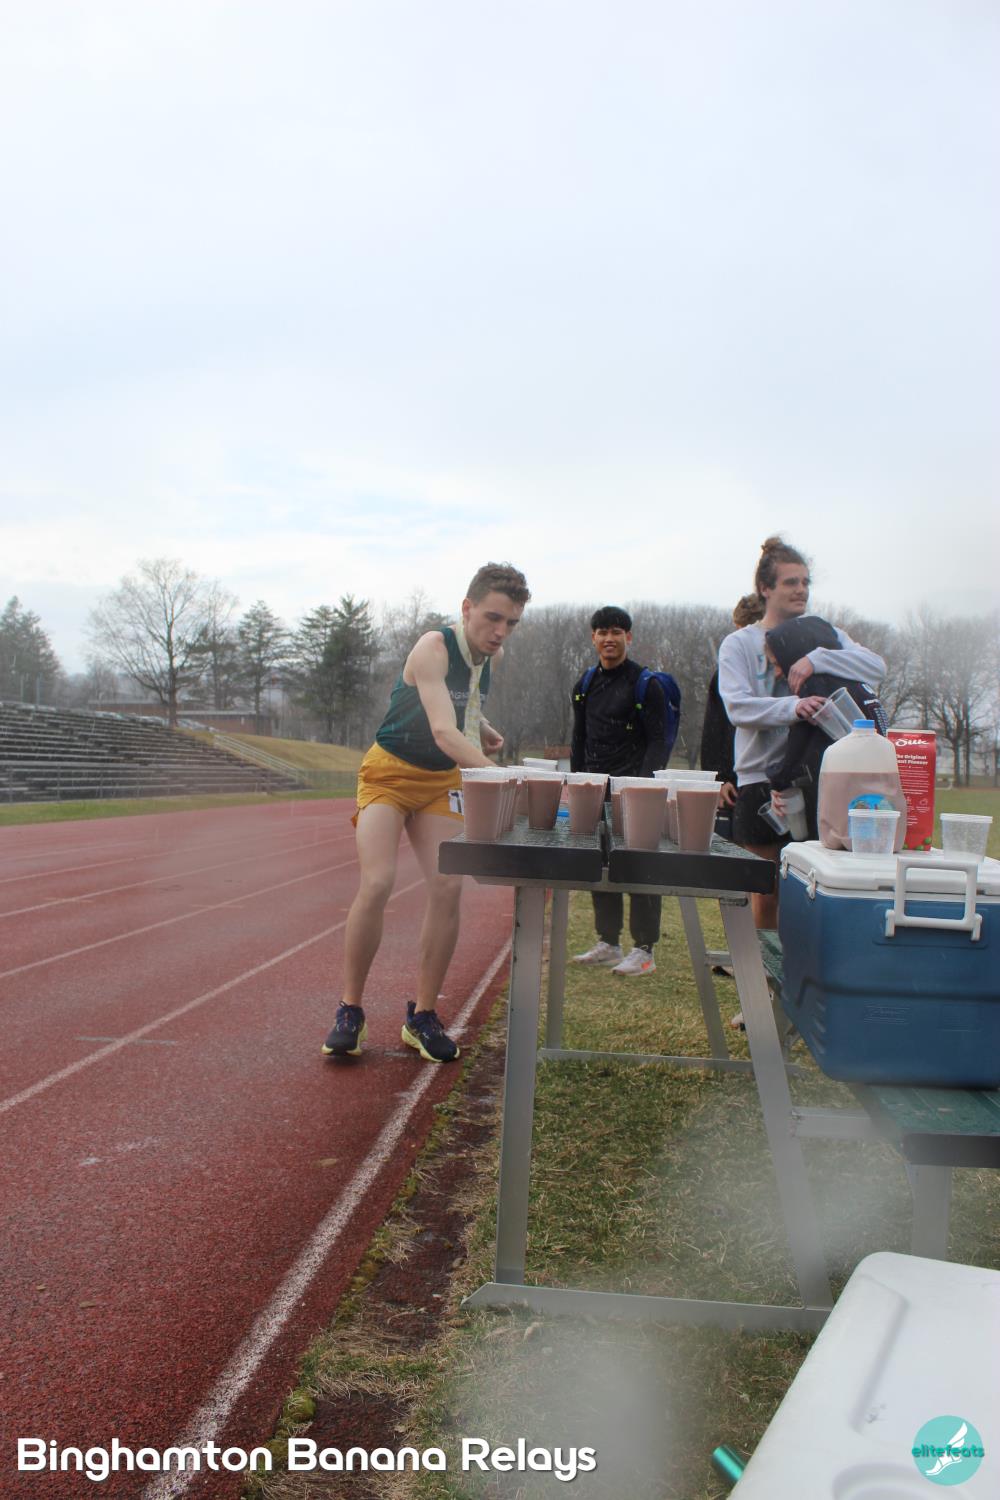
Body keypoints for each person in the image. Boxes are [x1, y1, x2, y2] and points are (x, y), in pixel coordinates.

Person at [322, 562, 531, 1063]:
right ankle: (350, 1010)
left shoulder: (491, 656)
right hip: (389, 774)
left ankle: (423, 1015)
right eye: (492, 618)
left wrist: (482, 728)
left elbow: (460, 705)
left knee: (447, 886)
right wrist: (501, 774)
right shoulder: (432, 647)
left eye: (511, 623)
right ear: (466, 608)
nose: (500, 632)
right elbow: (440, 729)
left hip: (440, 781)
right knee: (378, 882)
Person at [718, 537, 885, 930]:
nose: (801, 590)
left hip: (819, 778)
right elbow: (737, 707)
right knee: (766, 891)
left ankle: (803, 966)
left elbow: (876, 667)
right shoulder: (739, 644)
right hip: (760, 778)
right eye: (791, 582)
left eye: (806, 582)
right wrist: (794, 707)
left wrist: (818, 659)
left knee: (814, 886)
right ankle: (765, 967)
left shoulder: (823, 634)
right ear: (765, 588)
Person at [570, 605, 670, 976]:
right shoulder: (585, 685)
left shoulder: (646, 684)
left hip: (635, 792)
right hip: (594, 789)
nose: (608, 638)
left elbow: (659, 740)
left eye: (616, 631)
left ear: (628, 636)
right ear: (593, 637)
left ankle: (644, 950)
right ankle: (608, 943)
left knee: (639, 868)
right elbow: (579, 737)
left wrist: (641, 787)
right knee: (600, 866)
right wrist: (577, 781)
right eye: (602, 632)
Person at [764, 613, 889, 840]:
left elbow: (800, 748)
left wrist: (778, 780)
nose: (778, 673)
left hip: (833, 800)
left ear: (793, 654)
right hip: (871, 792)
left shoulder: (816, 688)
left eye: (777, 663)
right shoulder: (856, 683)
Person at [700, 594, 765, 839]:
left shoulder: (786, 667)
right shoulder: (725, 673)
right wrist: (718, 779)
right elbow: (714, 729)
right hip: (736, 784)